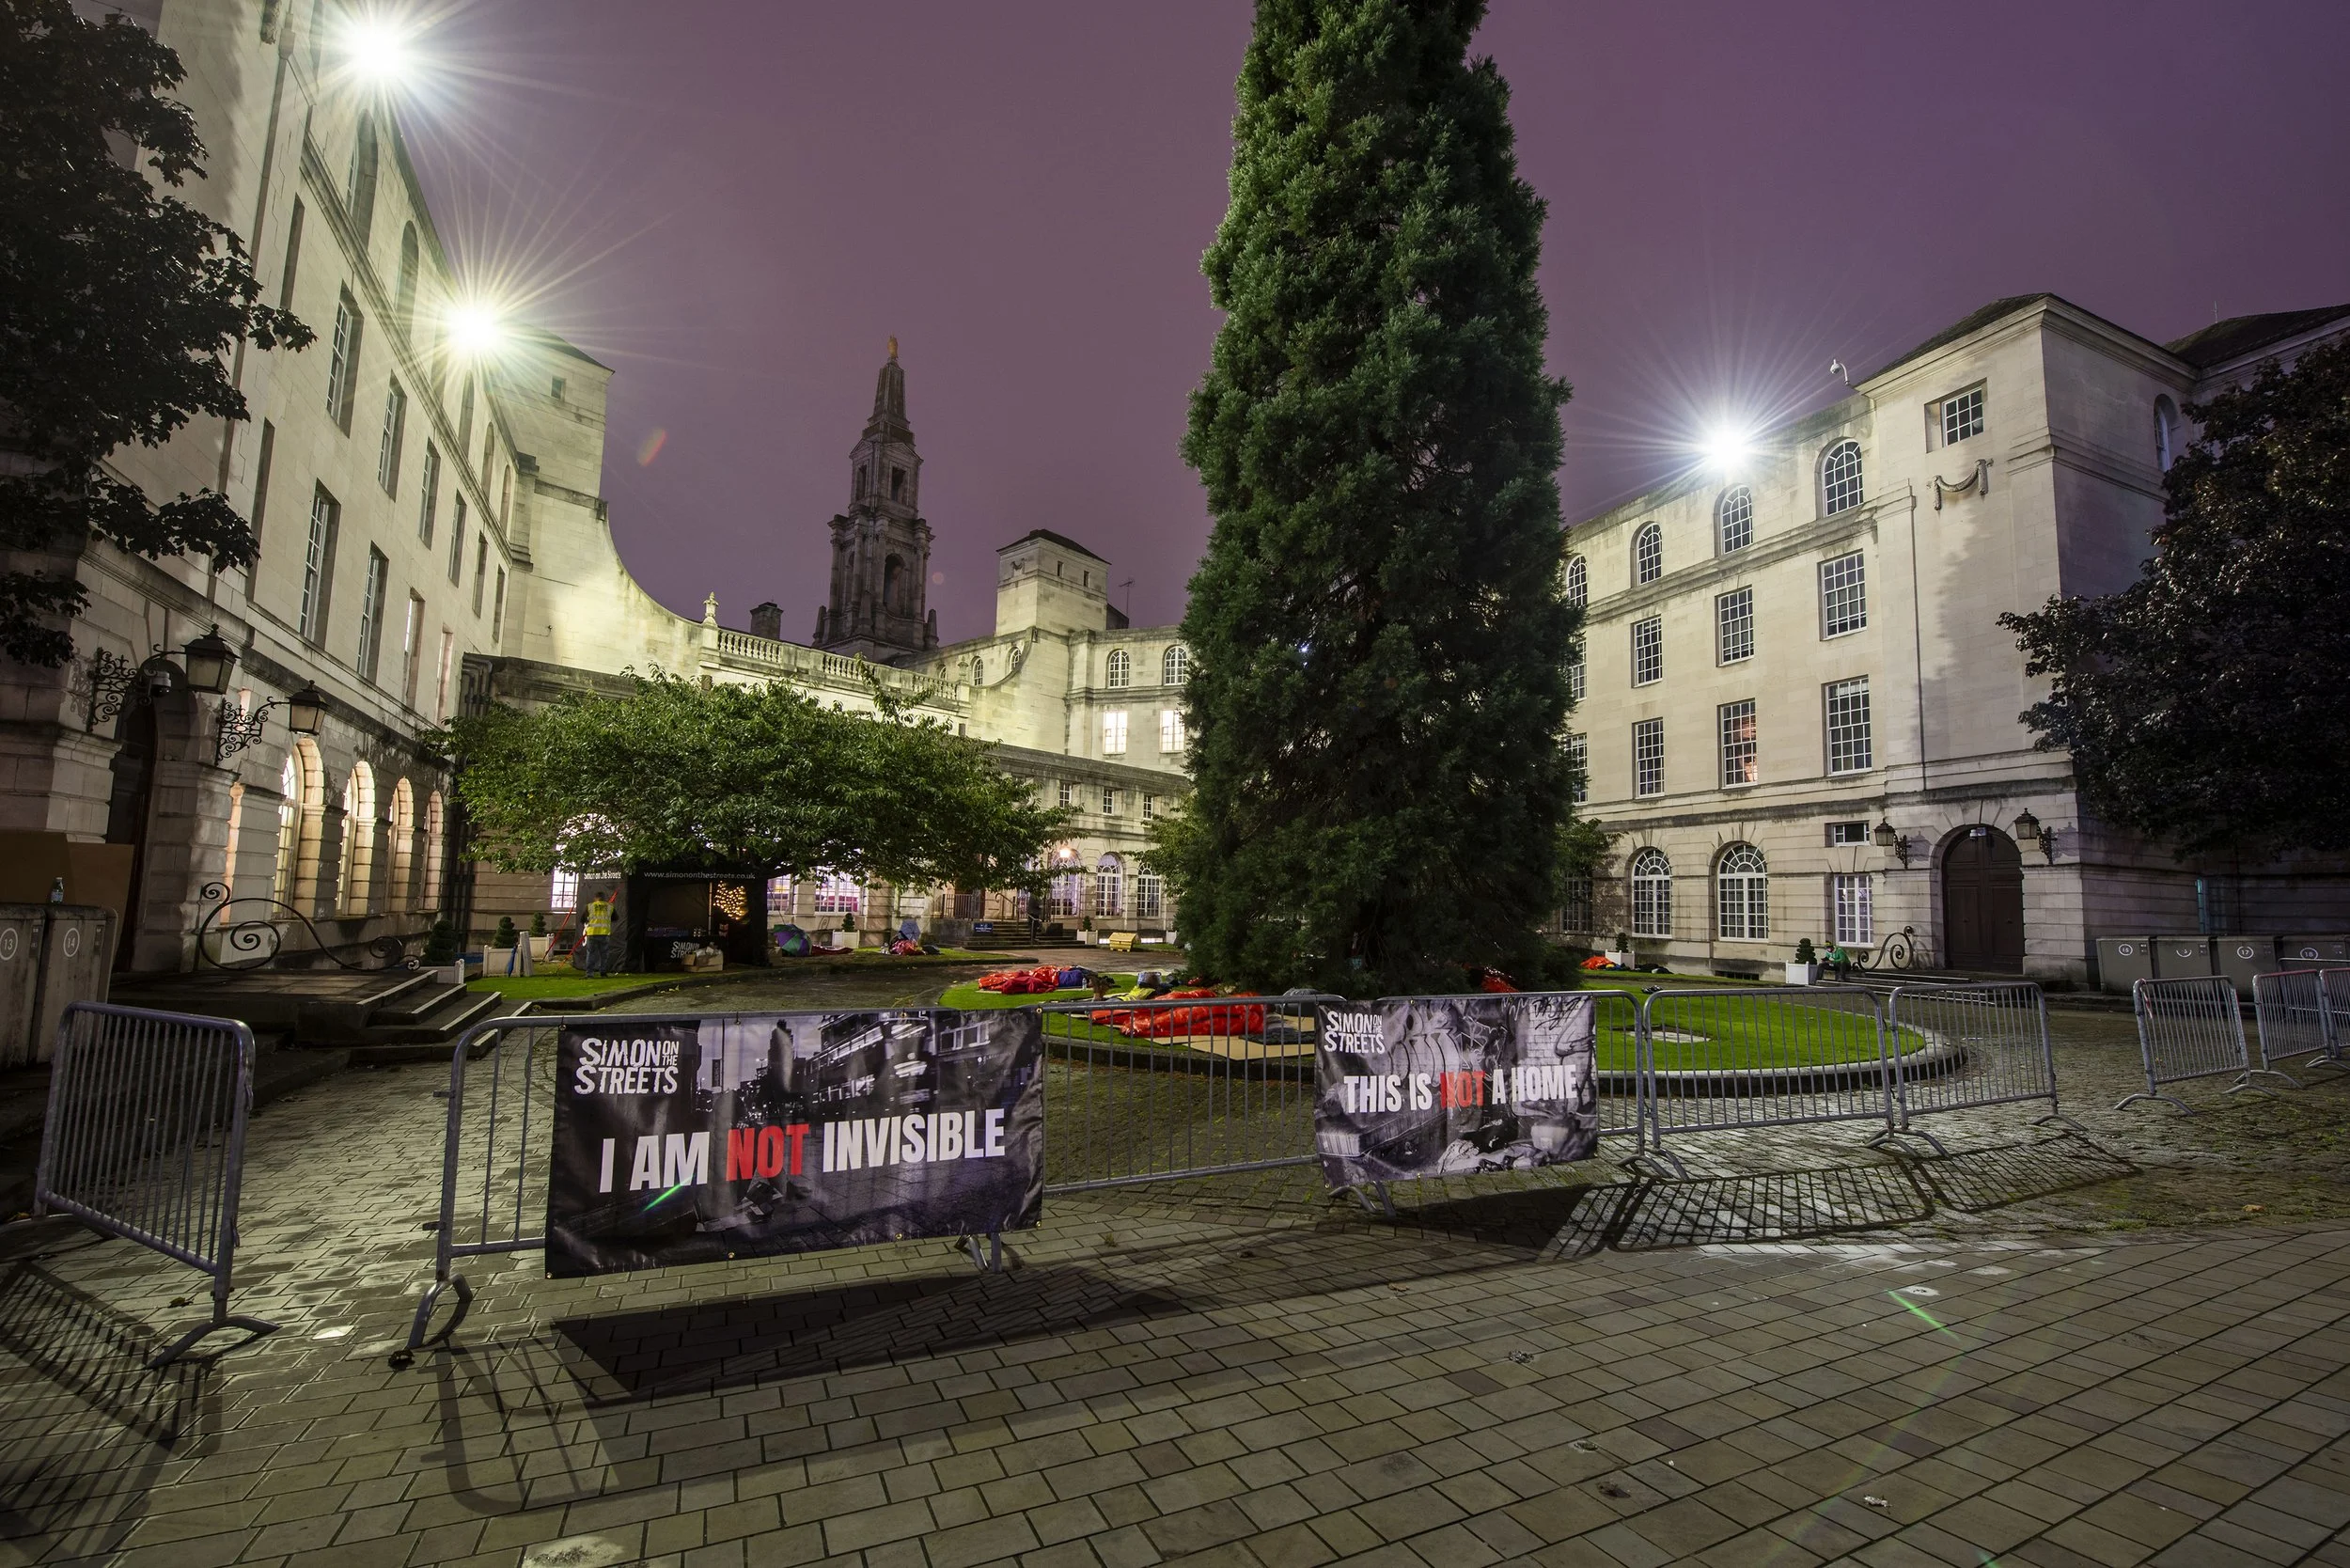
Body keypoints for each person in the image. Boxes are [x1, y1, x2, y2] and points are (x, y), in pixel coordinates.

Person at [581, 890, 615, 978]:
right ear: (604, 898)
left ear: (595, 898)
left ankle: (589, 974)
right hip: (604, 933)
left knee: (591, 954)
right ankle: (603, 973)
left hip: (592, 933)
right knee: (604, 955)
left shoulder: (589, 906)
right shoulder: (610, 907)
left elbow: (582, 919)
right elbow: (615, 918)